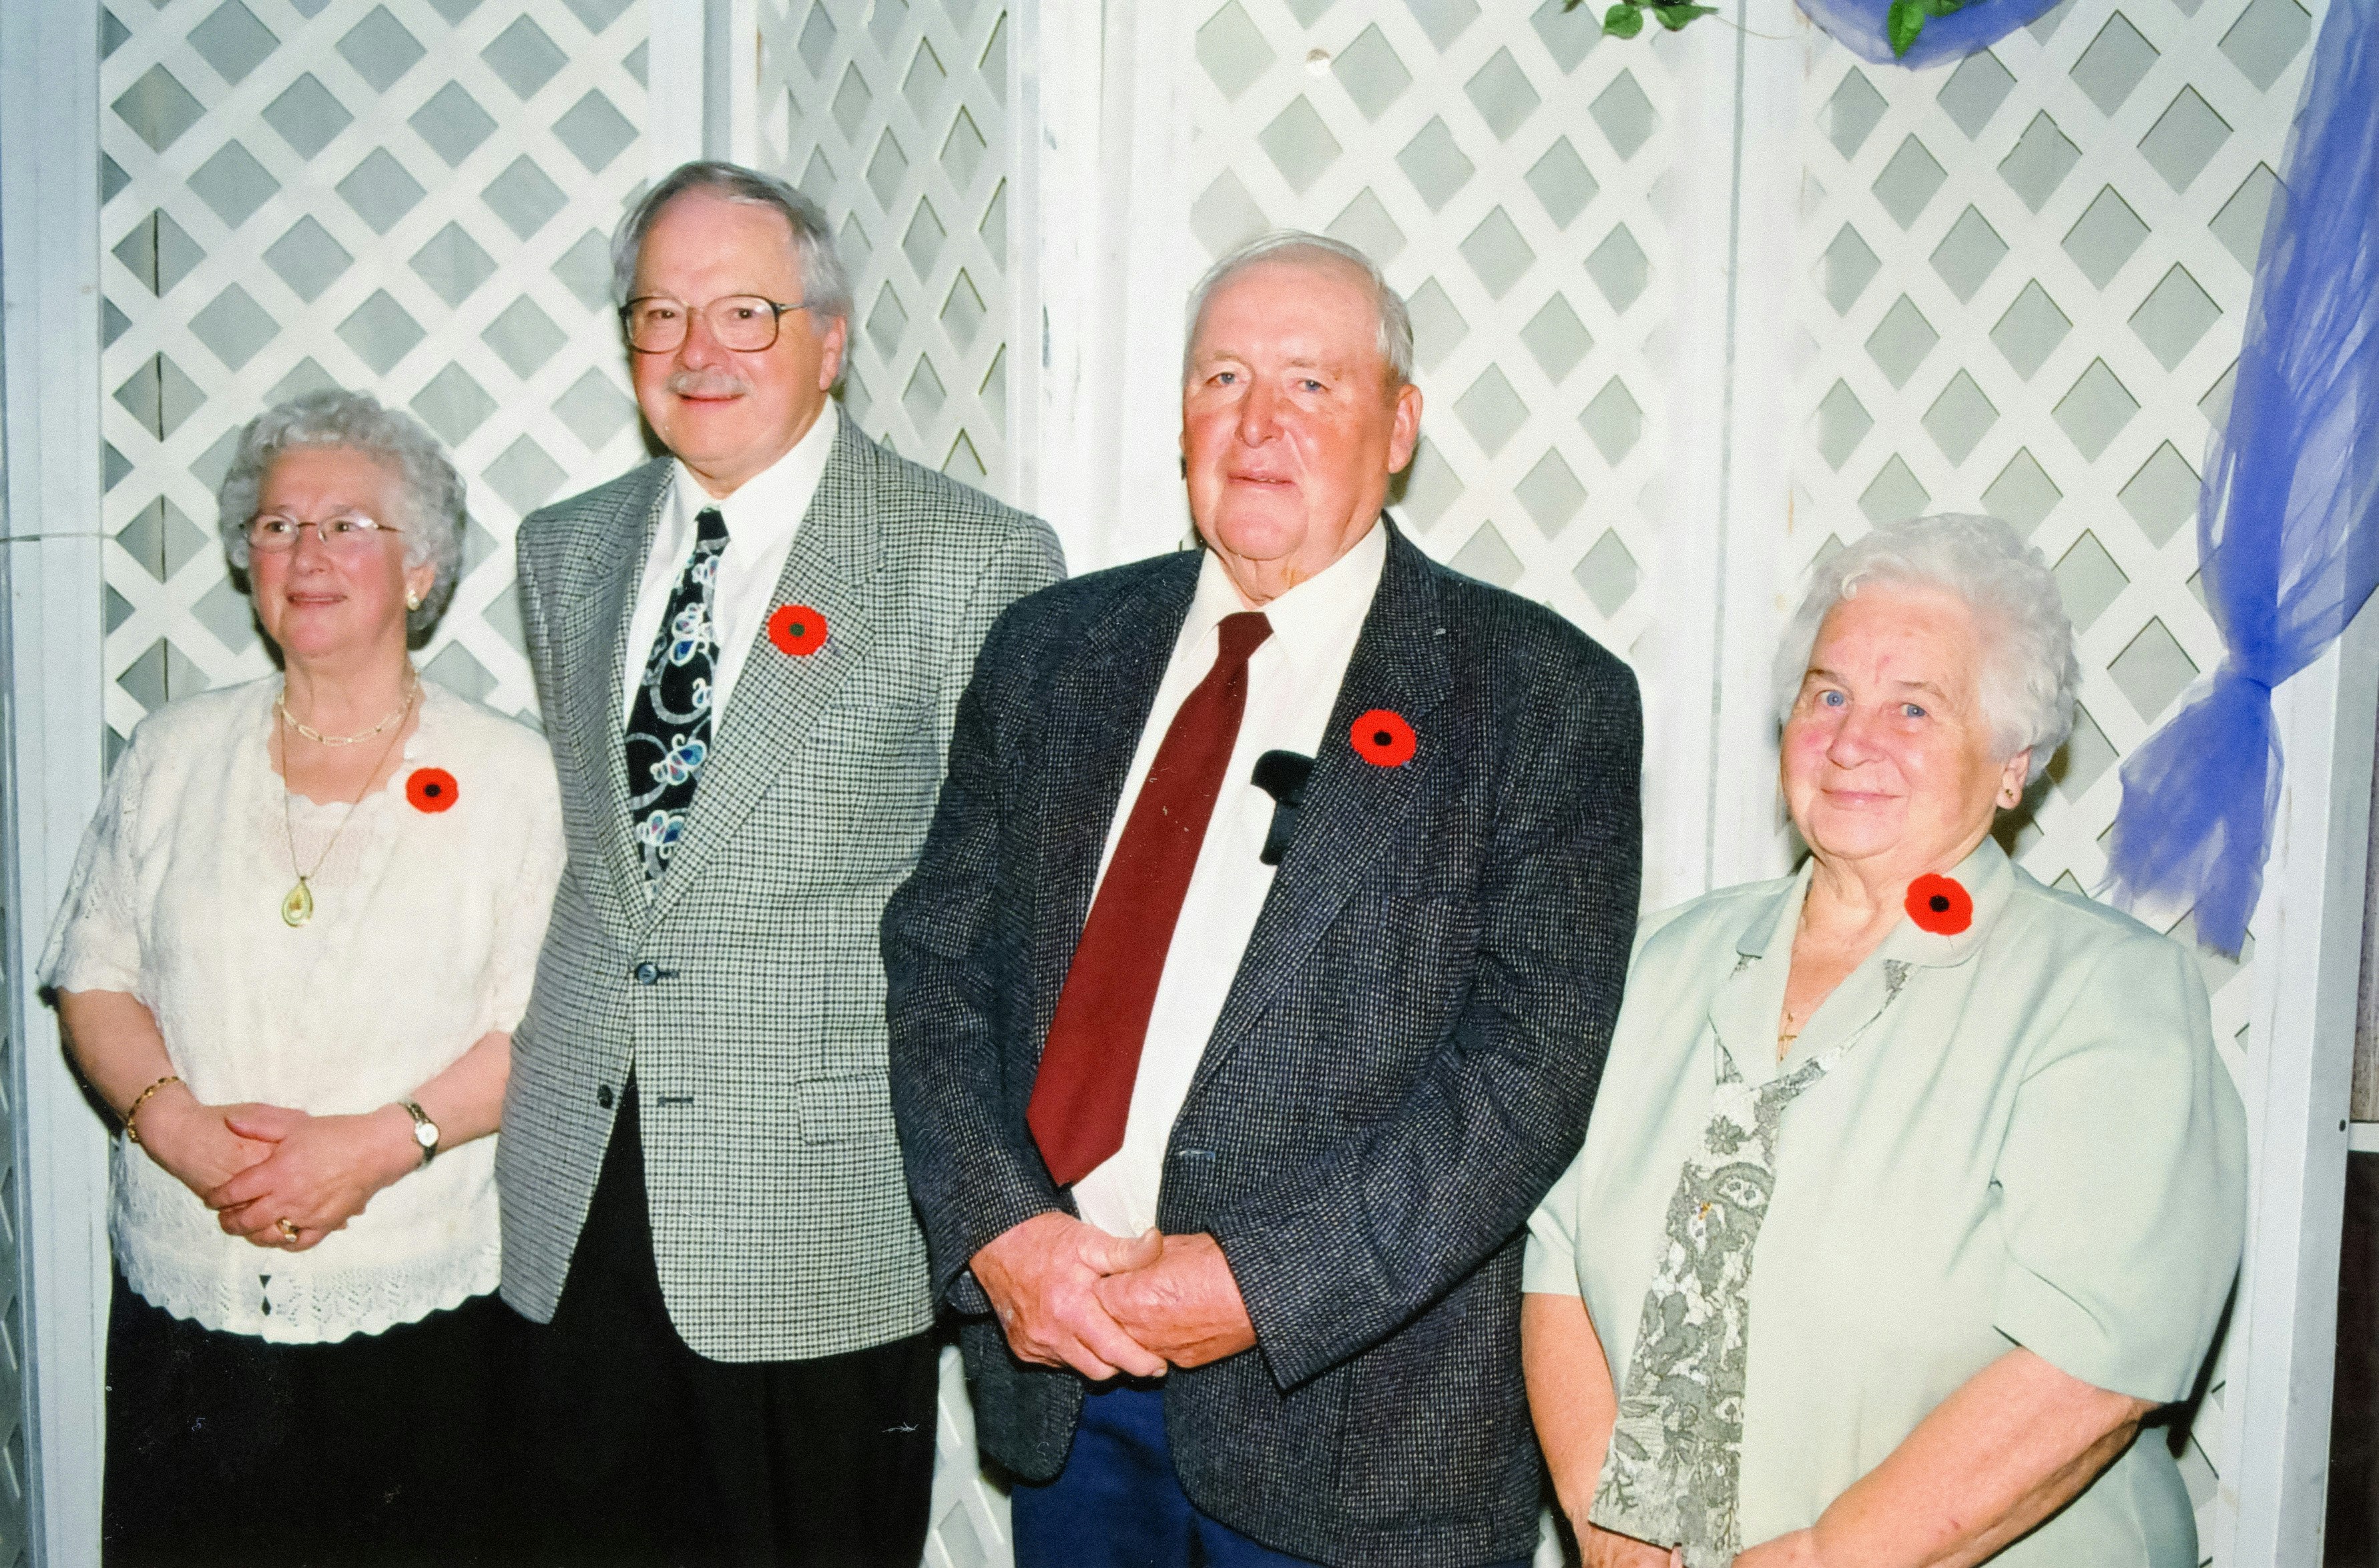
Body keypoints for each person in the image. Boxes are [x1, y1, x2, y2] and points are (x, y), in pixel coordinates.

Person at [884, 230, 1644, 1568]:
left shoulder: (1536, 697)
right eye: (1222, 377)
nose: (1257, 423)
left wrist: (1257, 1287)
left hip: (1360, 1432)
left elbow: (1525, 1079)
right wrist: (999, 1229)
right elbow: (938, 963)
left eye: (1311, 384)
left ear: (1399, 426)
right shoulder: (1053, 650)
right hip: (1071, 1376)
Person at [497, 159, 1063, 1567]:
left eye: (745, 312)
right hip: (574, 1202)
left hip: (817, 1220)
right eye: (659, 314)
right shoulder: (563, 552)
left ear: (831, 333)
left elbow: (1017, 922)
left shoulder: (969, 561)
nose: (697, 353)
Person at [1522, 514, 2246, 1568]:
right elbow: (1556, 1257)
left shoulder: (2108, 997)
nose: (1852, 740)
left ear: (2014, 763)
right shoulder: (1659, 963)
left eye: (1914, 705)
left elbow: (2091, 1367)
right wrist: (1611, 1526)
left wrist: (1827, 1554)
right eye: (1828, 694)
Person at [43, 388, 563, 1566]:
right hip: (191, 1297)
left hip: (416, 1305)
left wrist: (371, 1146)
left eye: (347, 526)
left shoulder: (512, 775)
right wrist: (176, 1128)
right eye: (278, 527)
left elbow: (540, 1031)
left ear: (421, 568)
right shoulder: (173, 749)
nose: (306, 554)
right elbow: (94, 974)